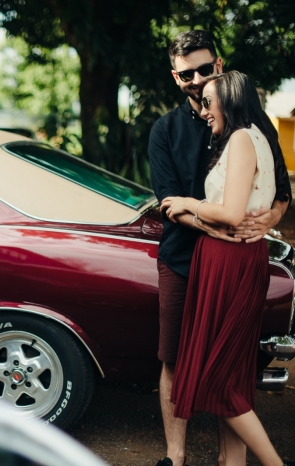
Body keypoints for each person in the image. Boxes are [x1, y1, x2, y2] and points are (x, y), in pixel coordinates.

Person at [148, 31, 291, 466]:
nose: (195, 79)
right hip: (182, 258)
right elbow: (169, 202)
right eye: (186, 73)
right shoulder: (165, 129)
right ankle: (176, 457)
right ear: (176, 77)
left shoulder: (251, 125)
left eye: (204, 70)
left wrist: (269, 218)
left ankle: (235, 462)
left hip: (231, 263)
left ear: (219, 64)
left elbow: (279, 191)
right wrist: (212, 225)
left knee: (231, 364)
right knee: (175, 357)